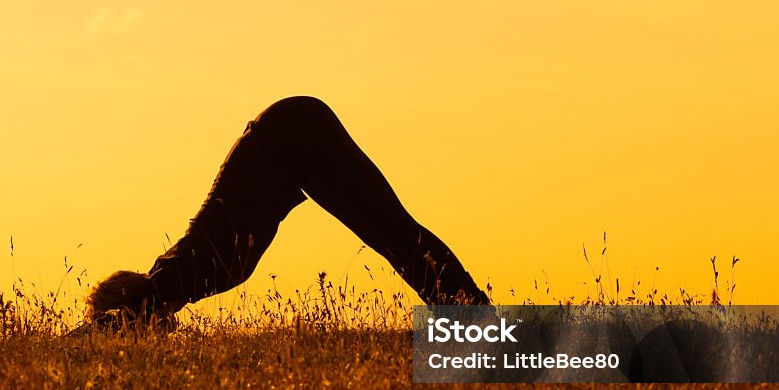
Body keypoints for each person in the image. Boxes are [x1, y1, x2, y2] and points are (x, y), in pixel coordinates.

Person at [88, 96, 488, 324]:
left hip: (294, 134)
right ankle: (478, 324)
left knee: (392, 232)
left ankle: (483, 328)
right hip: (292, 135)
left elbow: (107, 328)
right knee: (390, 234)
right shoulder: (181, 279)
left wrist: (102, 329)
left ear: (126, 313)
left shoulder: (172, 279)